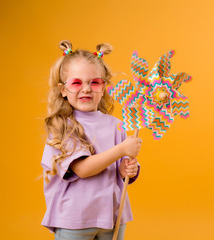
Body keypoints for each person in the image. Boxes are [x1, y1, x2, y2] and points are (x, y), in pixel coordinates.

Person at [41, 40, 142, 240]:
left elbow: (120, 168)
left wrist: (128, 169)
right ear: (63, 90)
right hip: (75, 219)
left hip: (112, 216)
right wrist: (122, 149)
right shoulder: (62, 126)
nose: (86, 89)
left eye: (94, 82)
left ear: (104, 87)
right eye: (77, 83)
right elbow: (82, 169)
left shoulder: (116, 125)